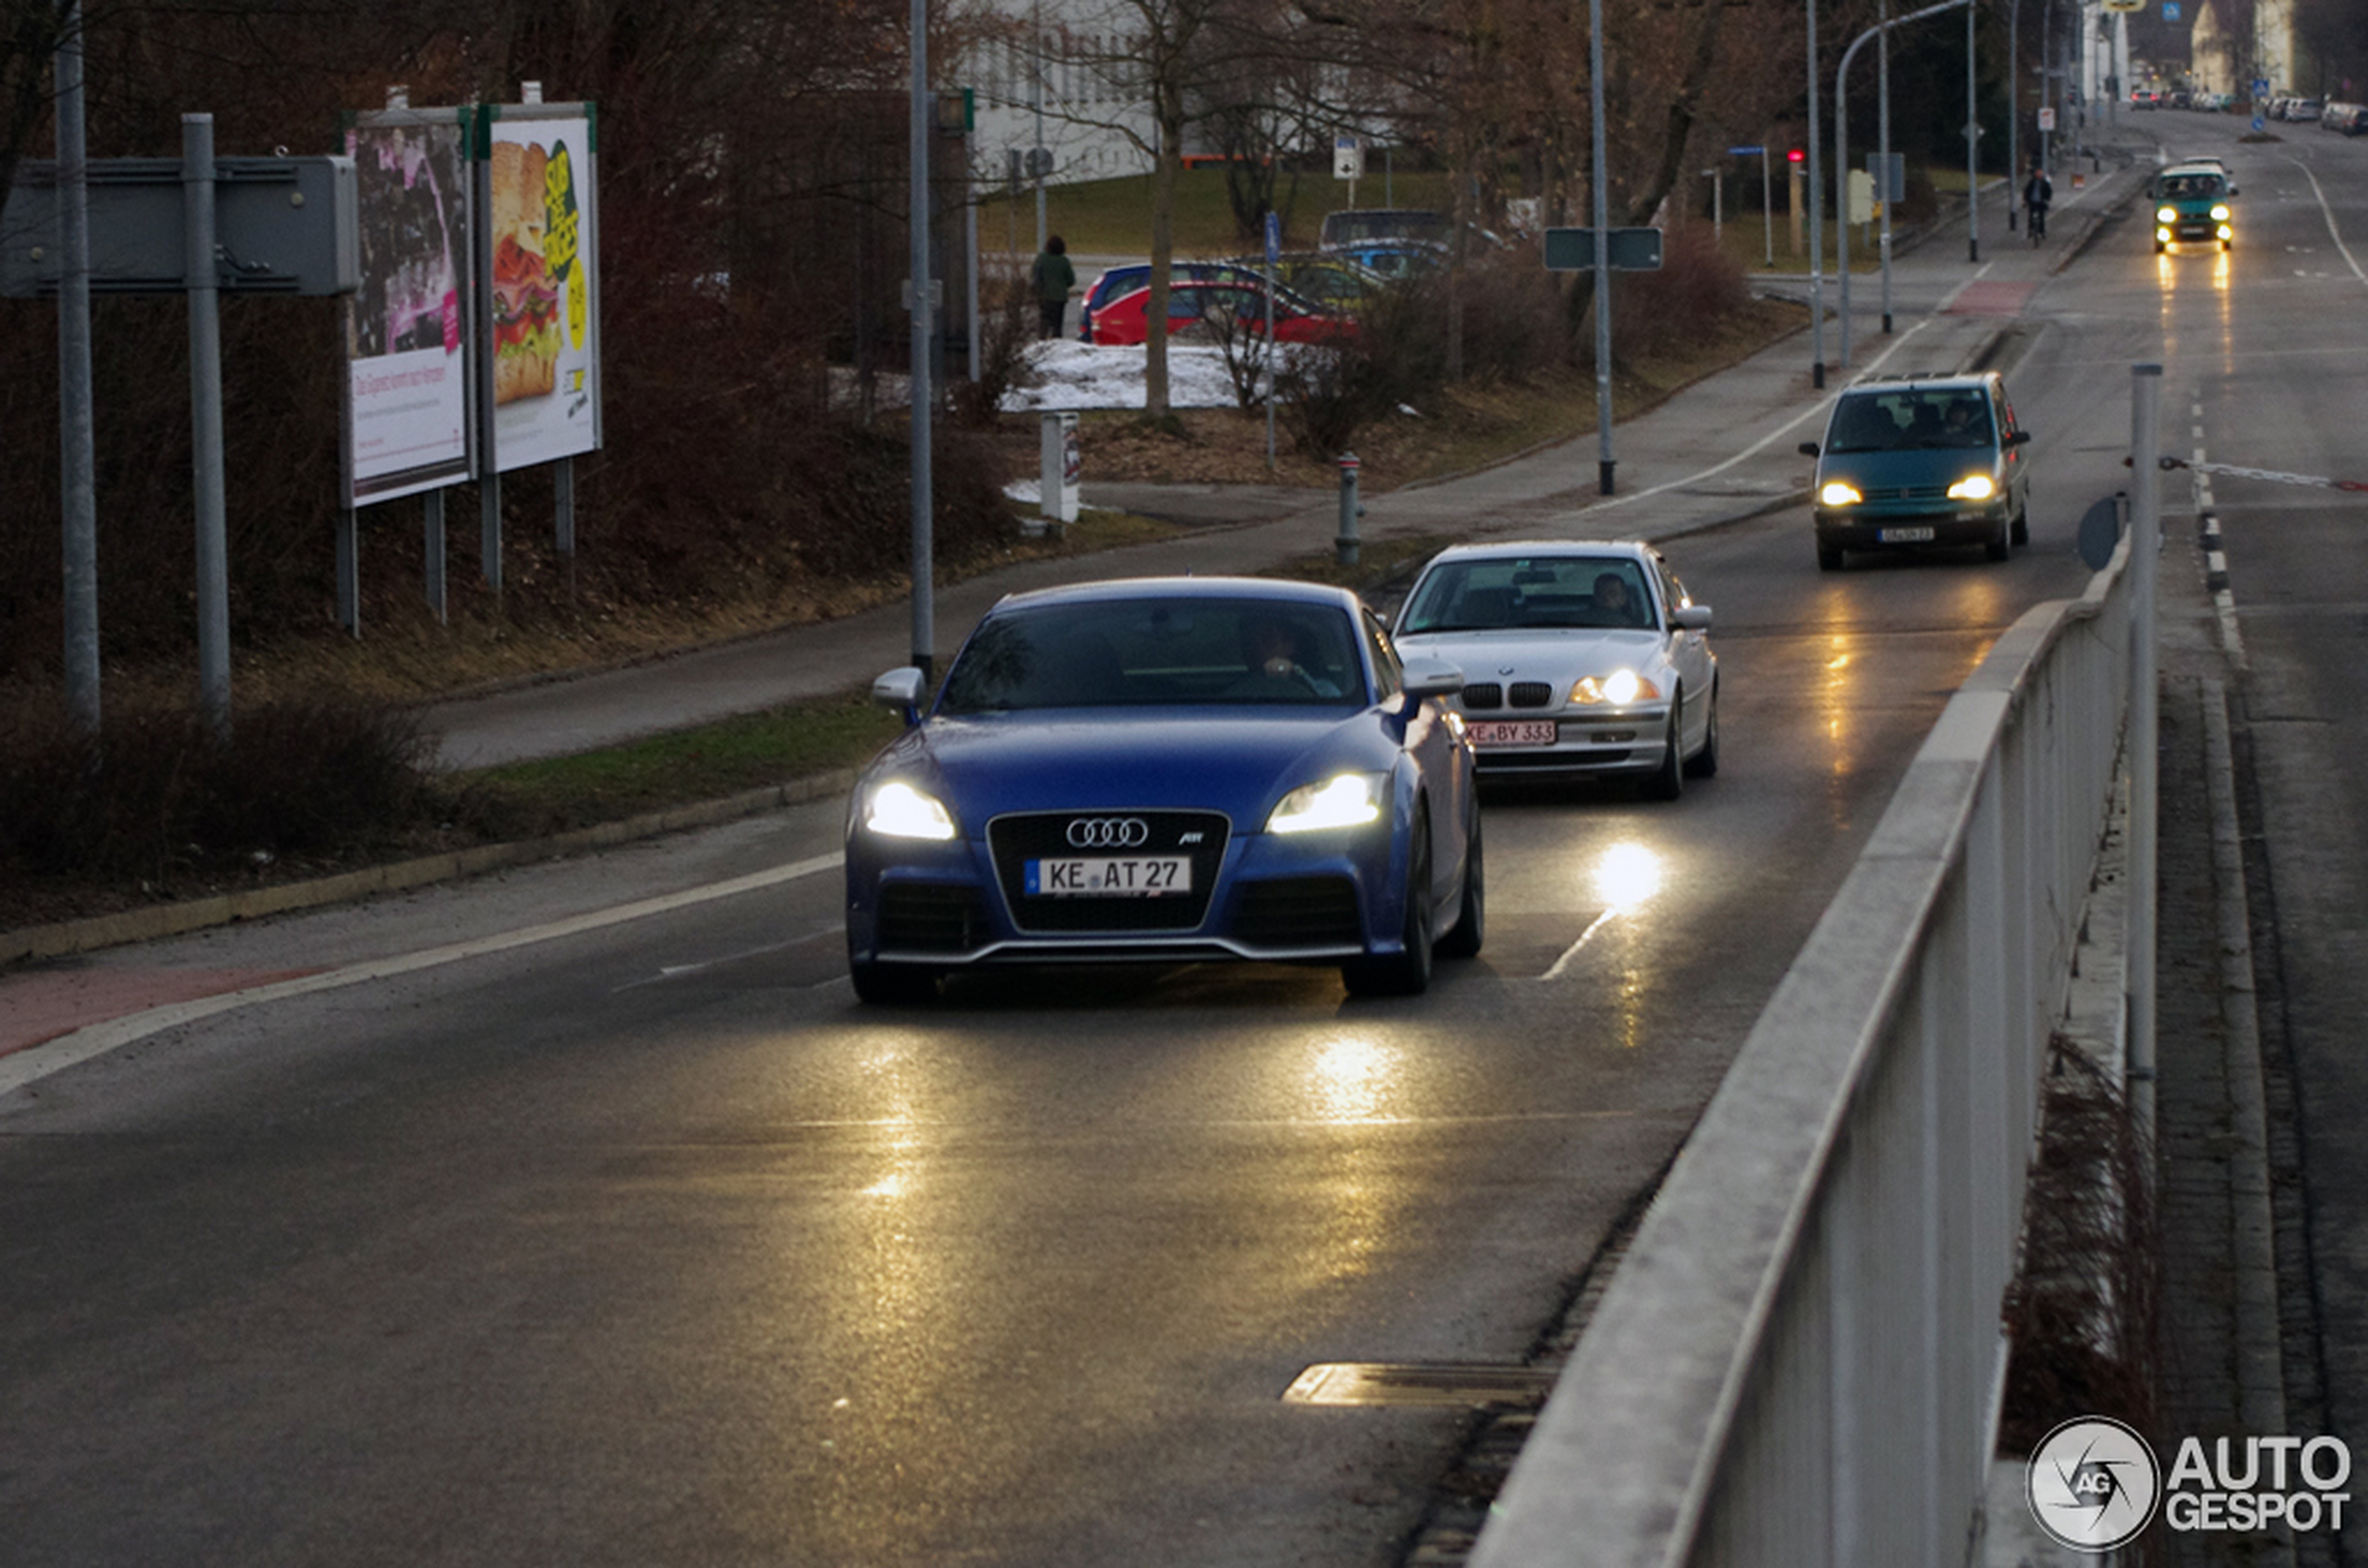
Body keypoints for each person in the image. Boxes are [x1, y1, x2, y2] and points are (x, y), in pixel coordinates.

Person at [1031, 235, 1076, 339]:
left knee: (1044, 321)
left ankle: (1041, 341)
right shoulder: (1064, 261)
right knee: (1057, 324)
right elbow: (1071, 280)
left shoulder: (1041, 258)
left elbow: (1035, 275)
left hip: (1044, 295)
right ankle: (1056, 342)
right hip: (1059, 297)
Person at [2022, 163, 2053, 243]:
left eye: (2040, 172)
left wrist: (2047, 199)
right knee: (2031, 216)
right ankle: (2031, 230)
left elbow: (2048, 191)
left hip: (2041, 202)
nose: (2039, 174)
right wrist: (2025, 200)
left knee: (2041, 217)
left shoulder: (2044, 182)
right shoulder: (2032, 182)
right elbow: (2027, 191)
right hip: (2032, 201)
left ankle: (2042, 232)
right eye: (2037, 172)